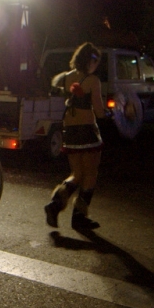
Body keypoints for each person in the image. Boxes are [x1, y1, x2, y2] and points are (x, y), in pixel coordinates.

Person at [44, 42, 108, 230]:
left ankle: (55, 205)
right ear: (90, 60)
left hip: (69, 130)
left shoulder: (66, 77)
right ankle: (79, 217)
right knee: (90, 174)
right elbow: (99, 110)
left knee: (76, 174)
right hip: (87, 130)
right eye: (96, 60)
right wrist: (113, 114)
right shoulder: (92, 80)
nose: (97, 64)